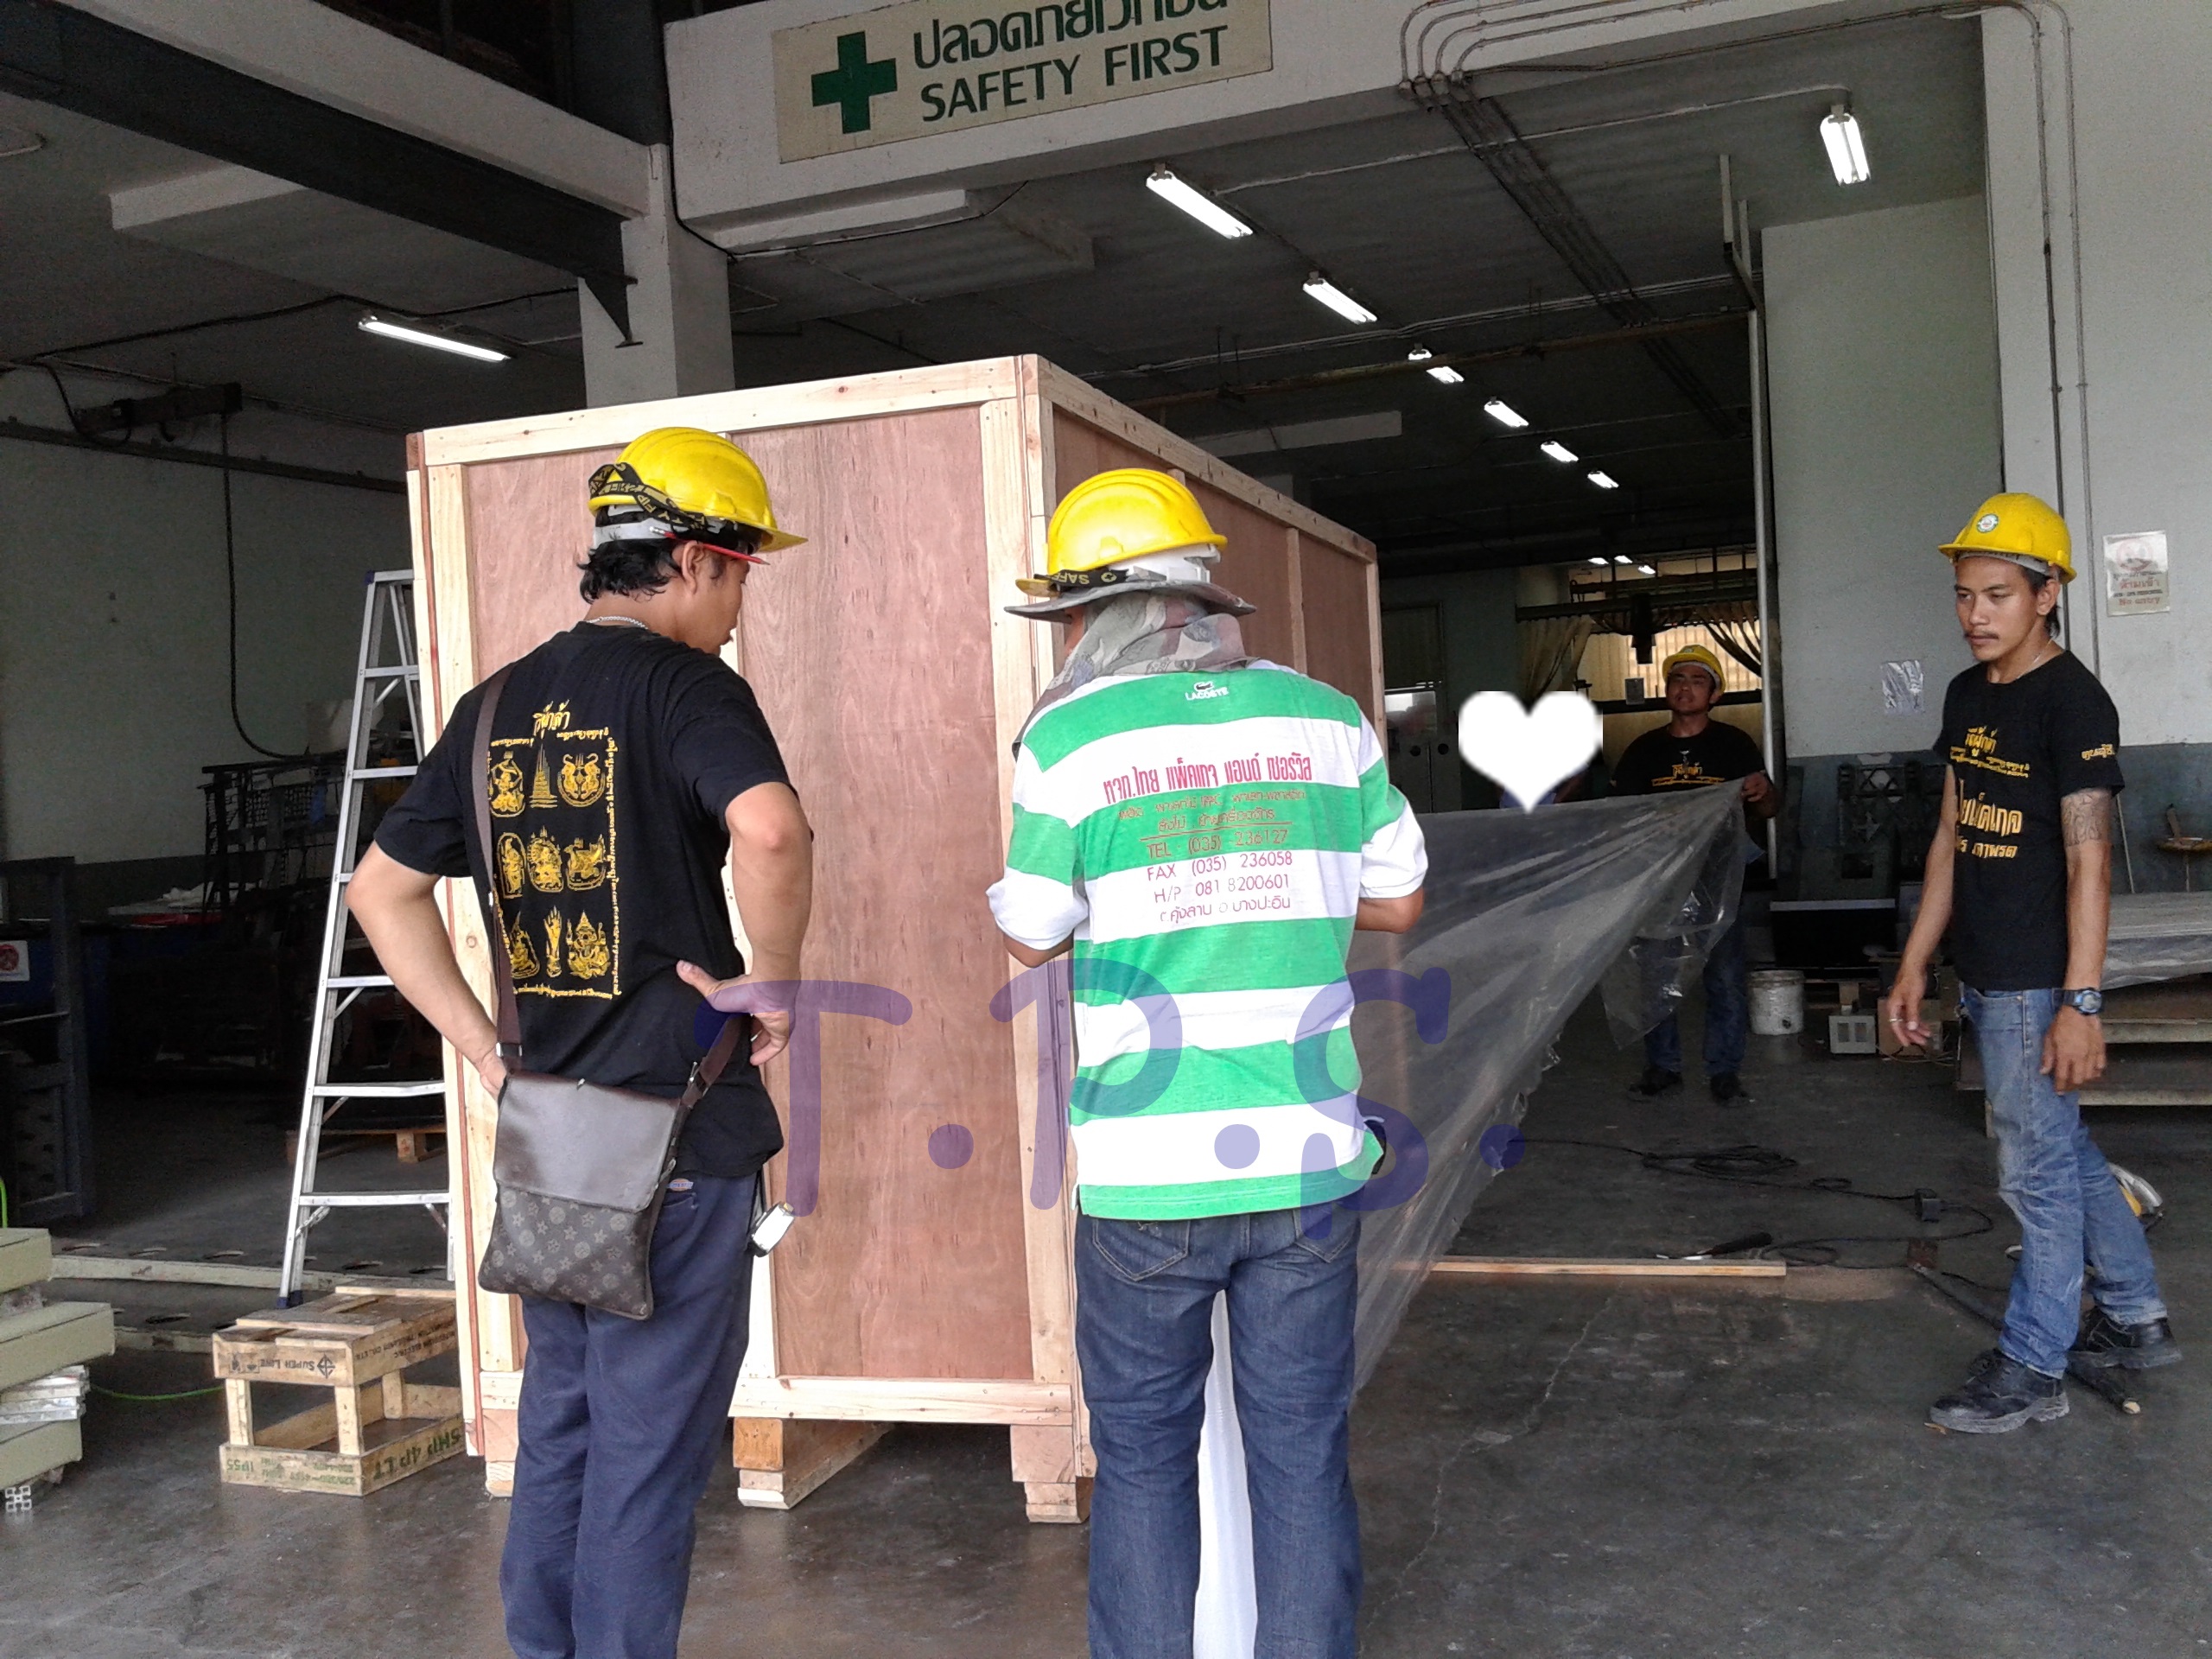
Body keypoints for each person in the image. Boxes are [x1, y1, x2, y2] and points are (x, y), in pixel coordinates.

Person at [347, 428, 815, 1656]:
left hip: (550, 1135)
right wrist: (773, 984)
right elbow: (771, 830)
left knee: (562, 1426)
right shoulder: (687, 689)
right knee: (649, 1454)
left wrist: (483, 1052)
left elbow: (379, 891)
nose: (738, 608)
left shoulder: (492, 706)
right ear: (697, 561)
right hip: (677, 1137)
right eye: (742, 575)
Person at [986, 467, 1427, 1659]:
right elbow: (1397, 902)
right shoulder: (1327, 719)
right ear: (1199, 594)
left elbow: (1030, 932)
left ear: (1105, 610)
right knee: (1301, 1455)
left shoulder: (1067, 739)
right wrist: (1277, 885)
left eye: (1073, 616)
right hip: (1308, 1160)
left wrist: (1156, 886)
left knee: (1141, 1465)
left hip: (1150, 1175)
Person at [1889, 492, 2178, 1433]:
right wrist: (1914, 964)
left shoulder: (2073, 701)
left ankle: (2032, 1366)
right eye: (1964, 594)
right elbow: (1951, 836)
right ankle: (2133, 1316)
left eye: (1998, 595)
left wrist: (2080, 1002)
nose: (1975, 614)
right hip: (1982, 965)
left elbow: (2091, 861)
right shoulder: (1966, 695)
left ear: (2047, 594)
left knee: (2036, 1176)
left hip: (2034, 977)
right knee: (2063, 1151)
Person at [1614, 644, 1777, 1103]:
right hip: (1662, 883)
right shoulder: (1644, 750)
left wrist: (1763, 790)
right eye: (1677, 679)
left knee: (1724, 977)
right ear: (1666, 690)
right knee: (1657, 978)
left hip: (1719, 880)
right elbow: (1623, 818)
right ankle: (1662, 1067)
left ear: (1715, 695)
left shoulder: (1734, 744)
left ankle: (1724, 1071)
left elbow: (1768, 807)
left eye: (1698, 681)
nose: (1685, 688)